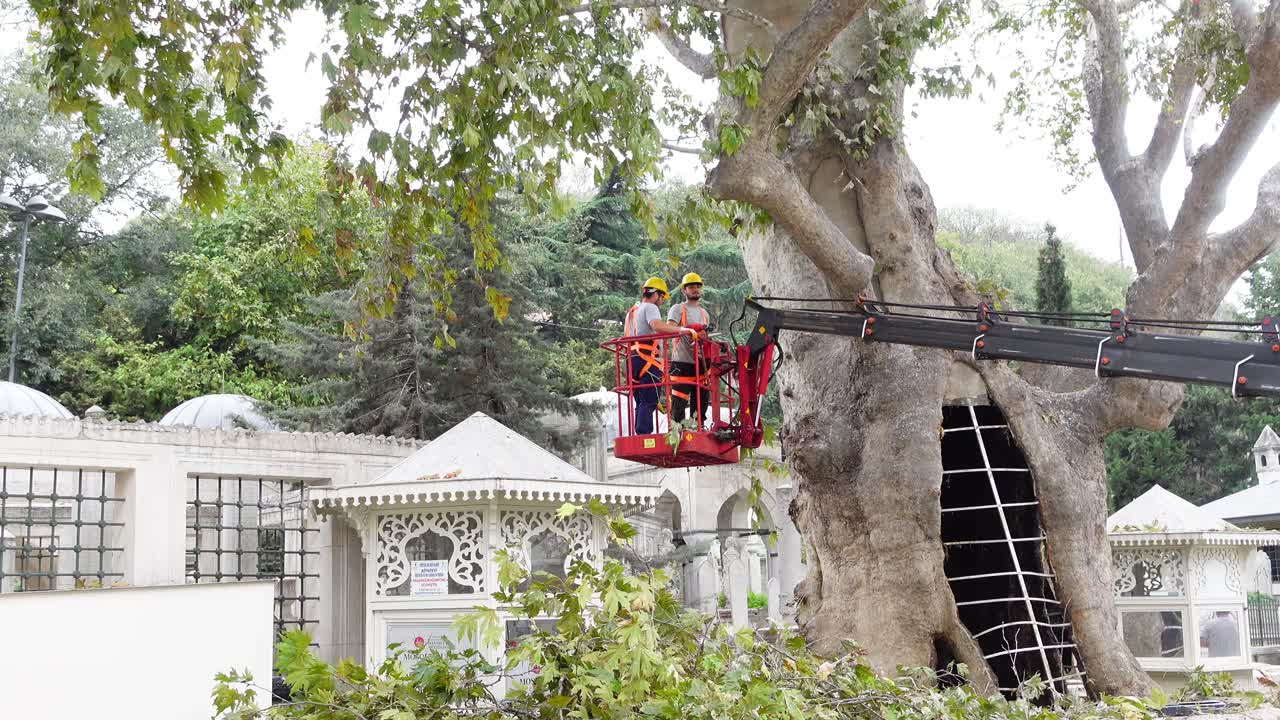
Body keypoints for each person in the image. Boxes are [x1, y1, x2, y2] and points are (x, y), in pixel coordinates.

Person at [623, 277, 696, 435]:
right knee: (649, 400)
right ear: (655, 294)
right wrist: (683, 330)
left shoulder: (632, 312)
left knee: (641, 401)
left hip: (631, 360)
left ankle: (640, 435)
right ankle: (644, 436)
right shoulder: (650, 307)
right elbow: (657, 325)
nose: (662, 301)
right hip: (647, 359)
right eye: (662, 297)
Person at [667, 272, 712, 427]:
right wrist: (689, 330)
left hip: (700, 362)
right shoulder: (678, 309)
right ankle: (677, 430)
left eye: (698, 287)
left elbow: (706, 337)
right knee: (679, 398)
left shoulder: (704, 313)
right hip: (682, 362)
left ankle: (698, 428)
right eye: (691, 287)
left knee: (702, 397)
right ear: (684, 290)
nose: (695, 290)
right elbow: (670, 328)